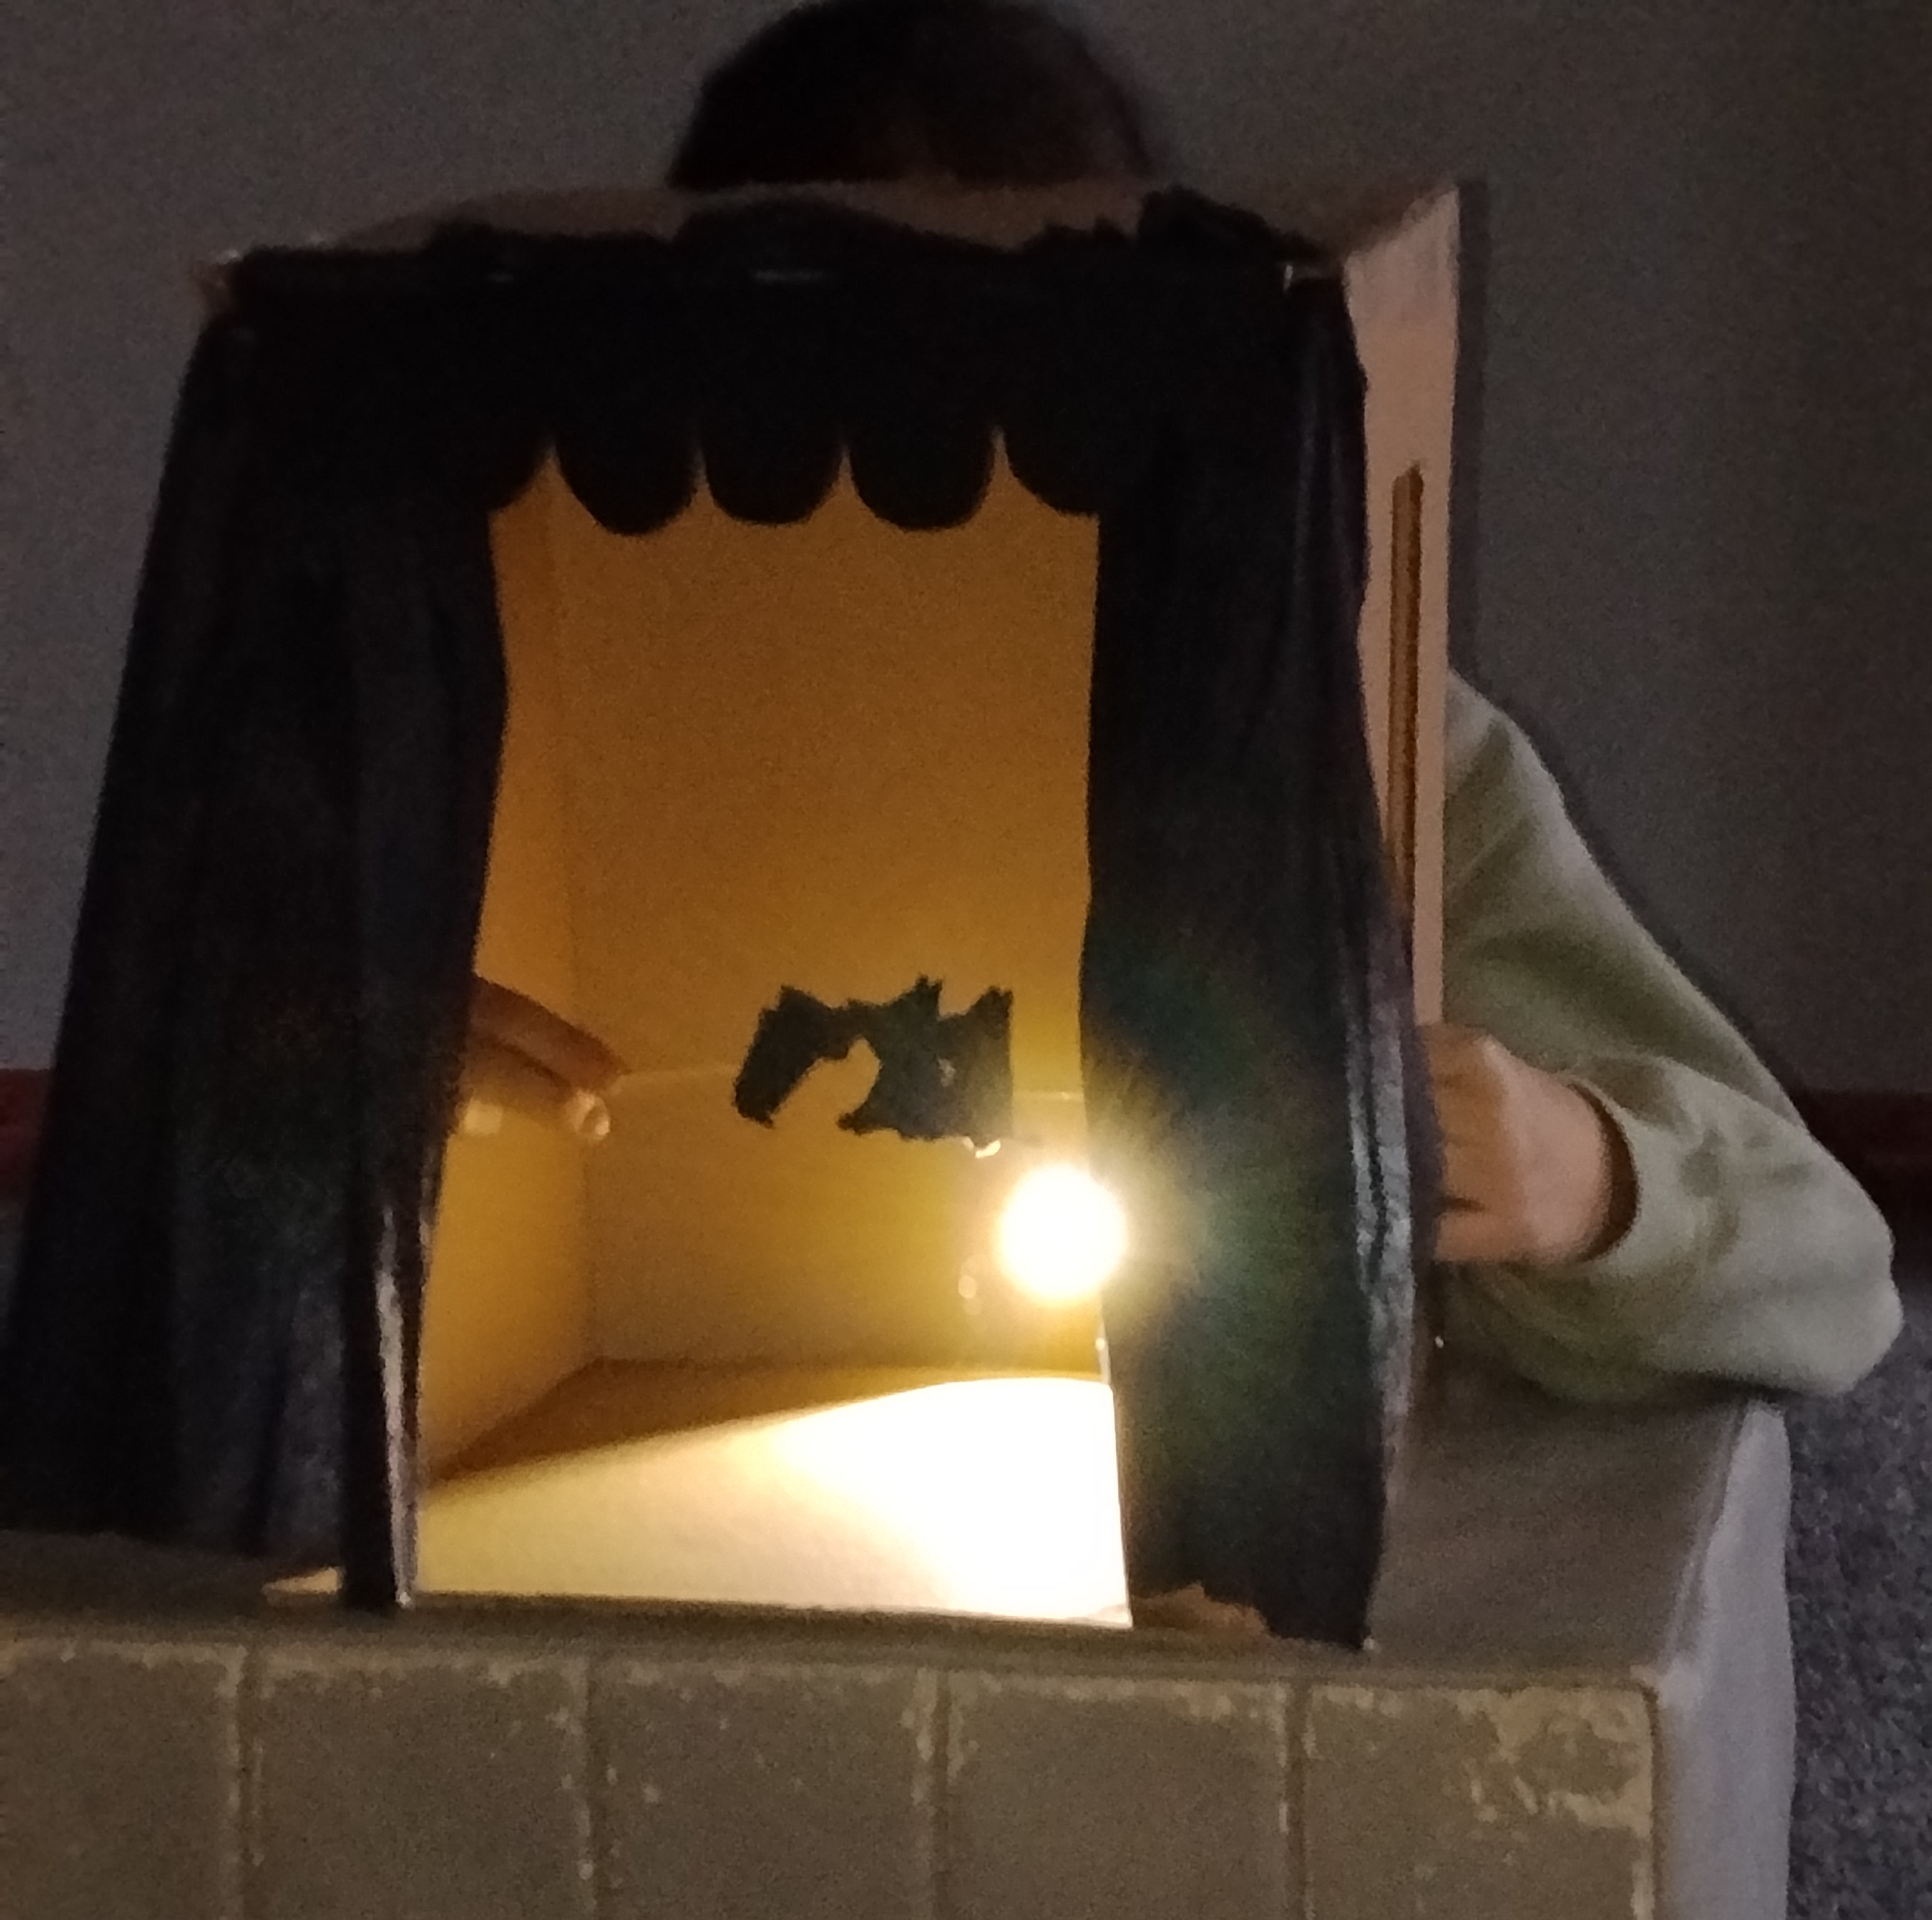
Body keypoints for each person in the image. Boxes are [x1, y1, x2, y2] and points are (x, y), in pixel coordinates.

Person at [473, 0, 1901, 1407]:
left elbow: (1832, 1268)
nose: (934, 496)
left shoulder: (1361, 738)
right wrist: (392, 1103)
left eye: (1020, 408)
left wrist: (1587, 1177)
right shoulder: (535, 735)